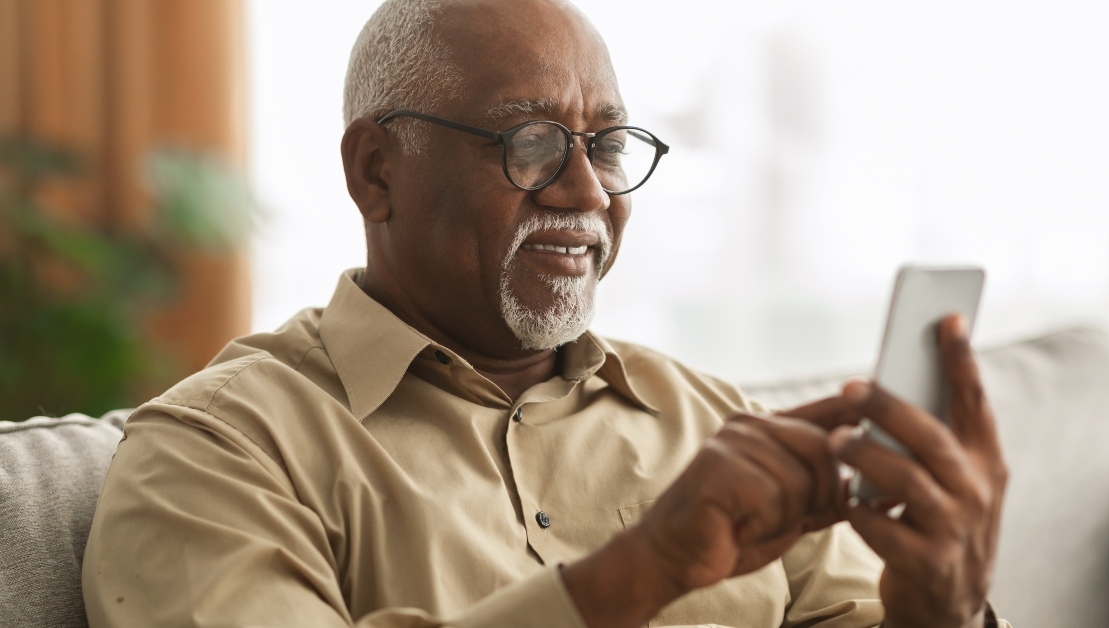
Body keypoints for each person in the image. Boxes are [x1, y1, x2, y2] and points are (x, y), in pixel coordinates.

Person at [82, 1, 1010, 626]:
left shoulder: (717, 422)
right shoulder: (217, 451)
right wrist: (641, 571)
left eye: (605, 144)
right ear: (376, 172)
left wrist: (940, 609)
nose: (587, 191)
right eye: (530, 141)